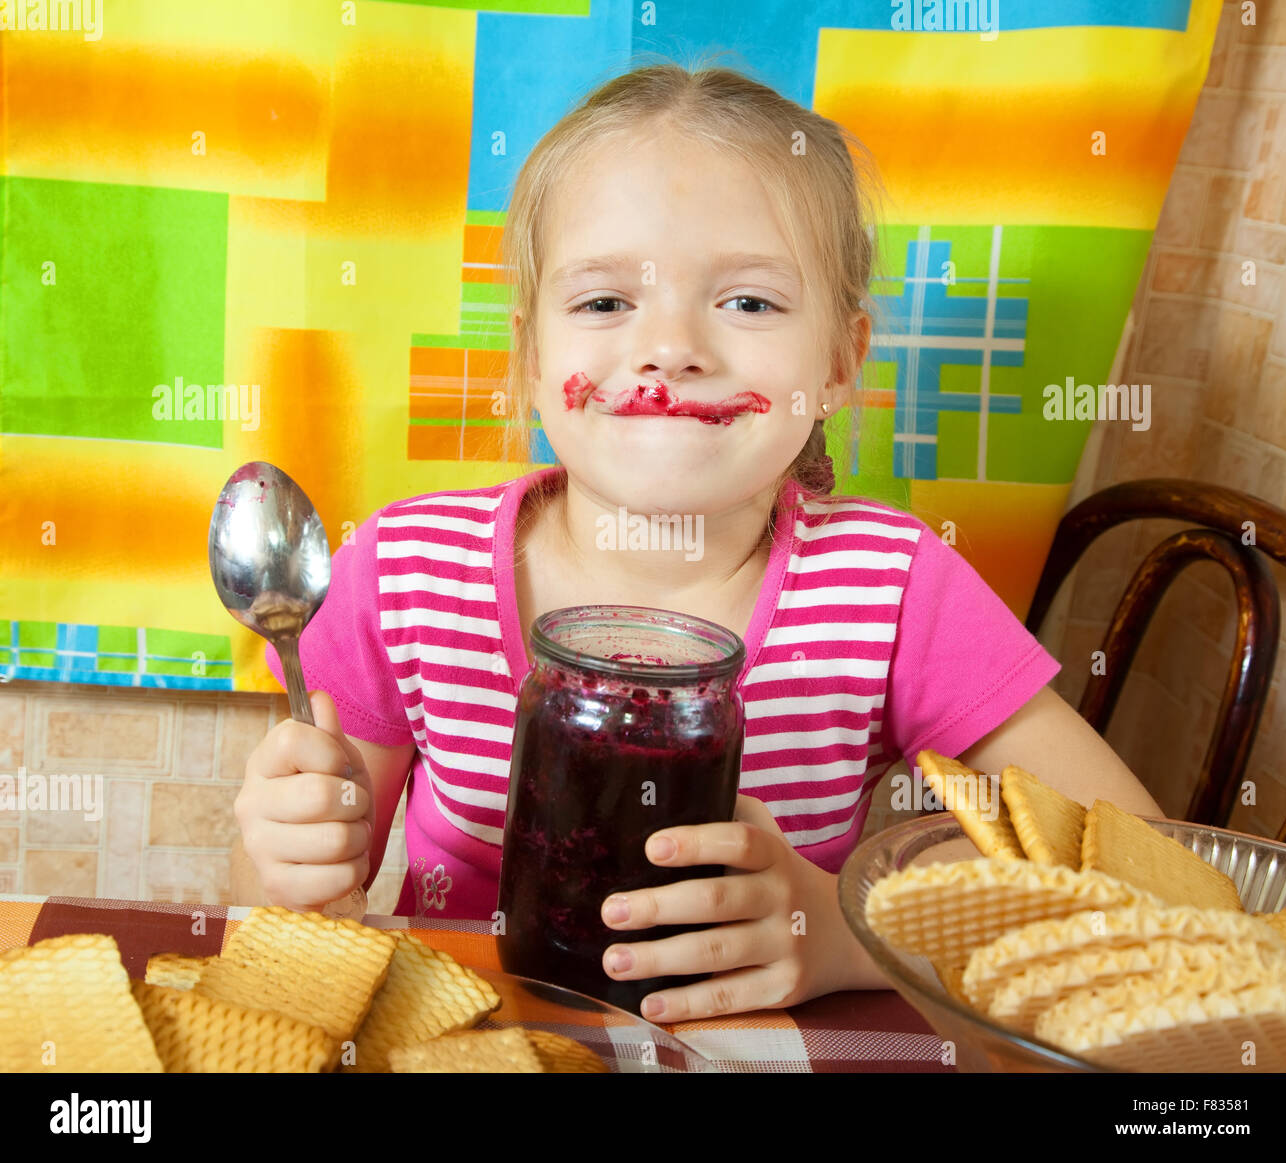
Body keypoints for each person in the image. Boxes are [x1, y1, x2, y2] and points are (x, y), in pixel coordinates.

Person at [231, 60, 1163, 1023]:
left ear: (839, 362)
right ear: (532, 355)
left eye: (749, 302)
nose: (669, 346)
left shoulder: (892, 589)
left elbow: (1133, 855)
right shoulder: (403, 573)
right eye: (603, 302)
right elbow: (282, 910)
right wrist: (295, 859)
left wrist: (845, 932)